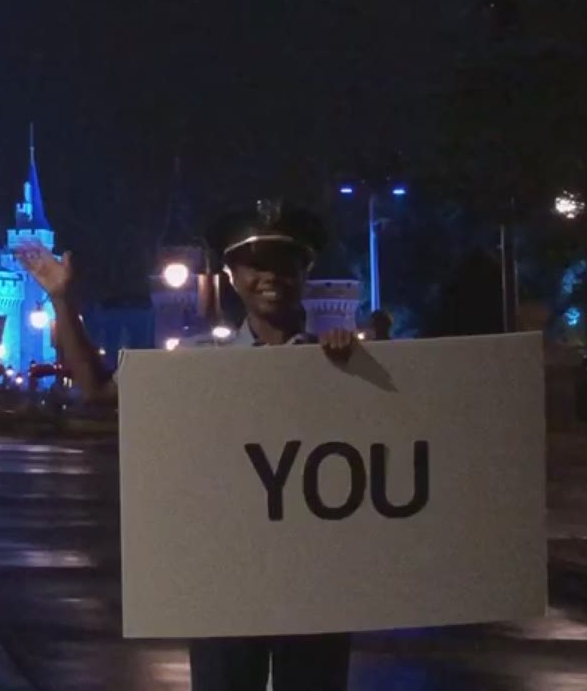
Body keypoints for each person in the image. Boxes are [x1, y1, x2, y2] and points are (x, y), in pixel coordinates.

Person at [18, 199, 357, 691]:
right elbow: (96, 390)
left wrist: (352, 368)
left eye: (285, 265)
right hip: (223, 582)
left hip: (314, 587)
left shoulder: (345, 368)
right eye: (255, 265)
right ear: (232, 274)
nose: (270, 277)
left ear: (305, 273)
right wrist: (63, 302)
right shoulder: (198, 369)